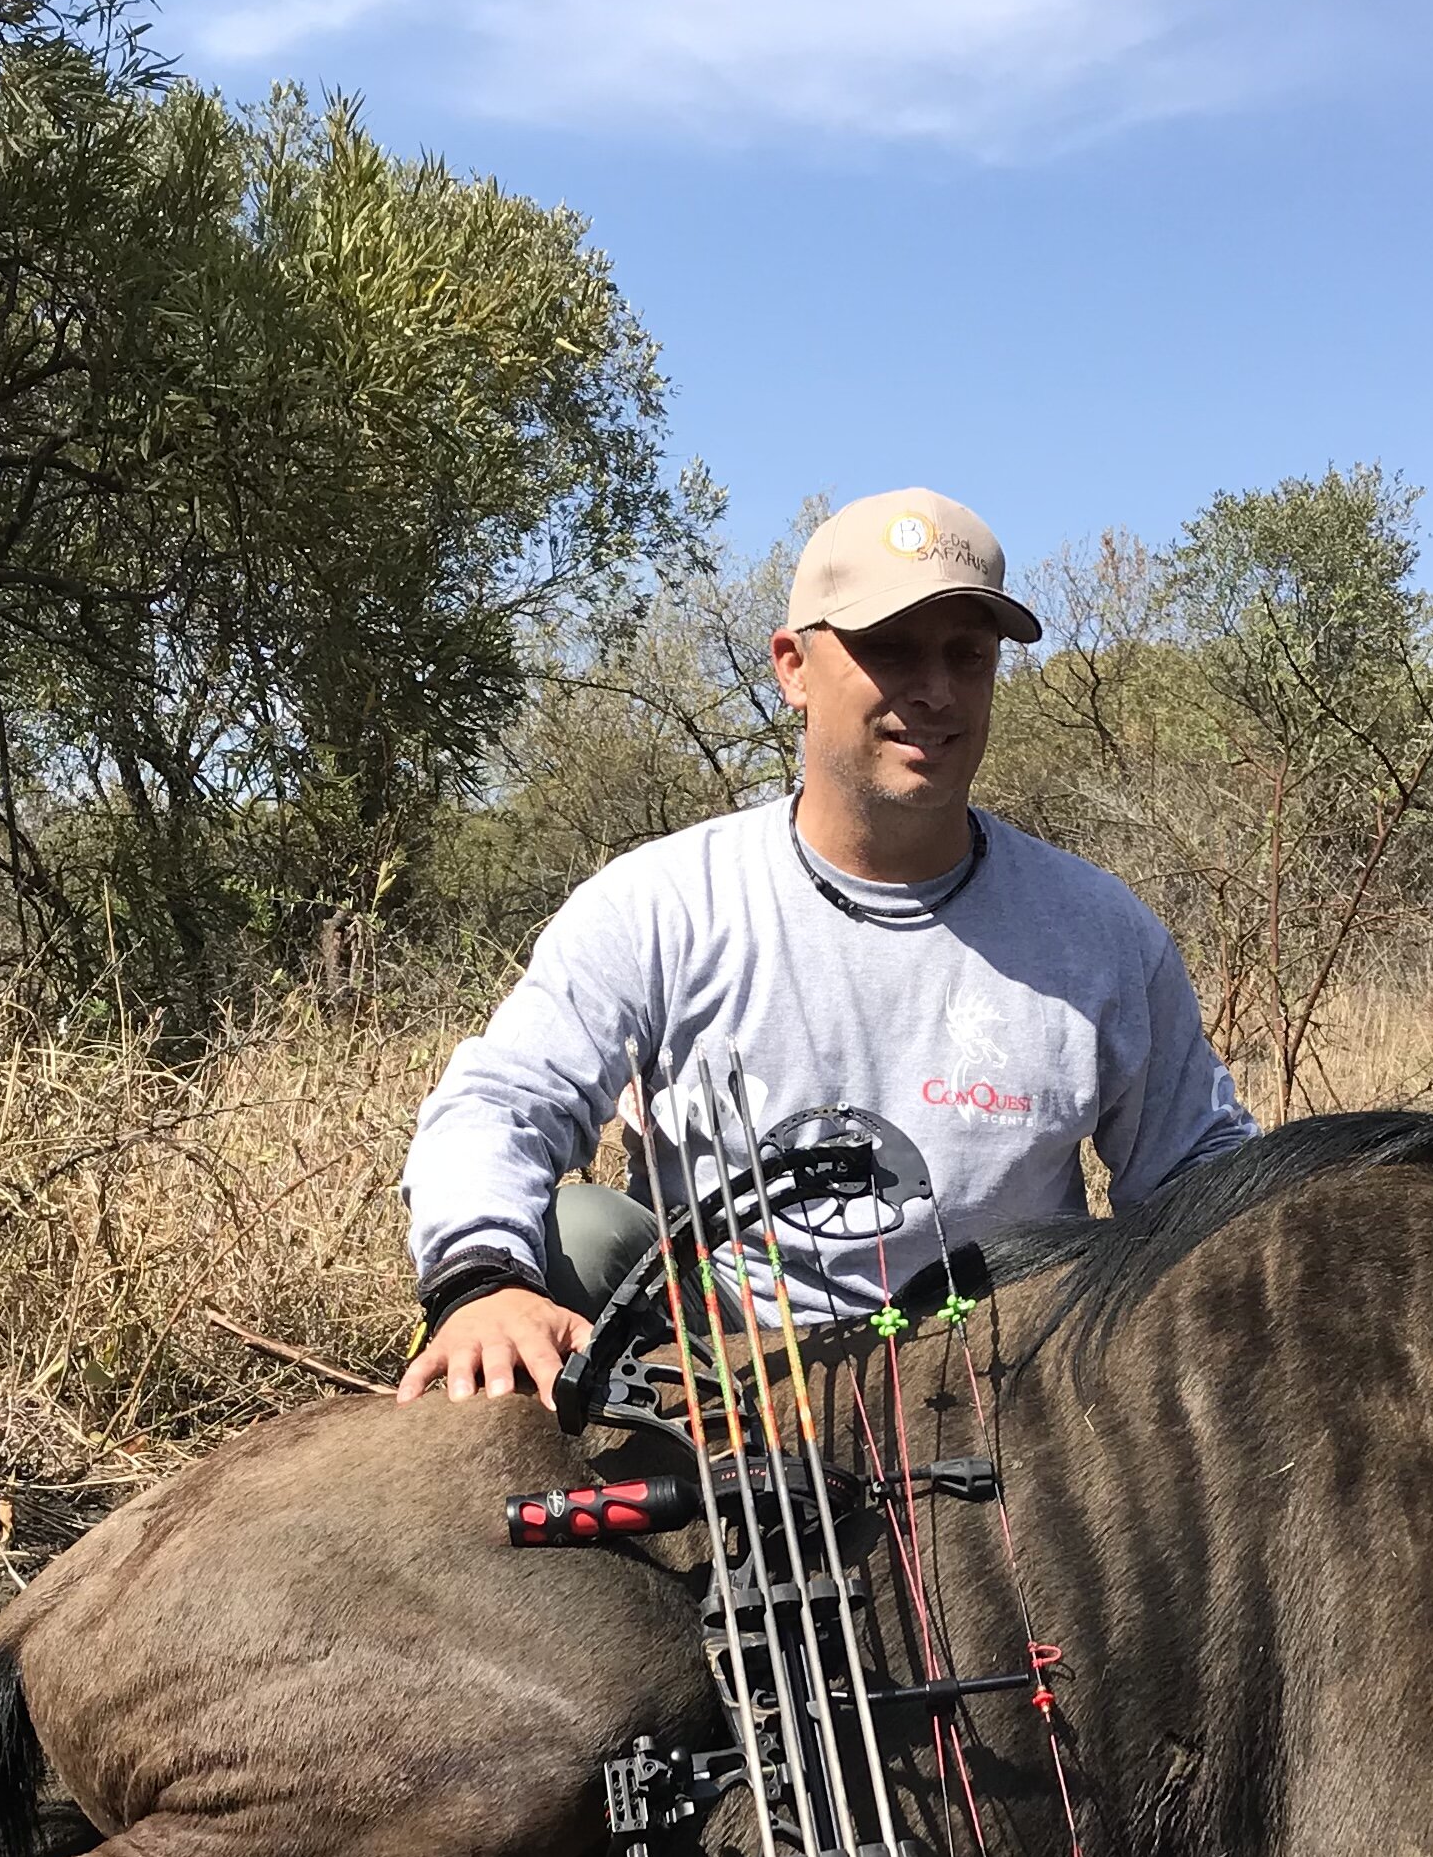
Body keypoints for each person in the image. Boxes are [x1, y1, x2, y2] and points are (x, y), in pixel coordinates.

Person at [396, 486, 1256, 1399]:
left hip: (1012, 1385)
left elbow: (1201, 1169)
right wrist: (480, 1281)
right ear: (794, 667)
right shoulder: (662, 903)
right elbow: (502, 1099)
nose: (933, 691)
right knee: (577, 1231)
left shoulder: (1103, 933)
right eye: (888, 648)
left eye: (967, 656)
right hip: (730, 1378)